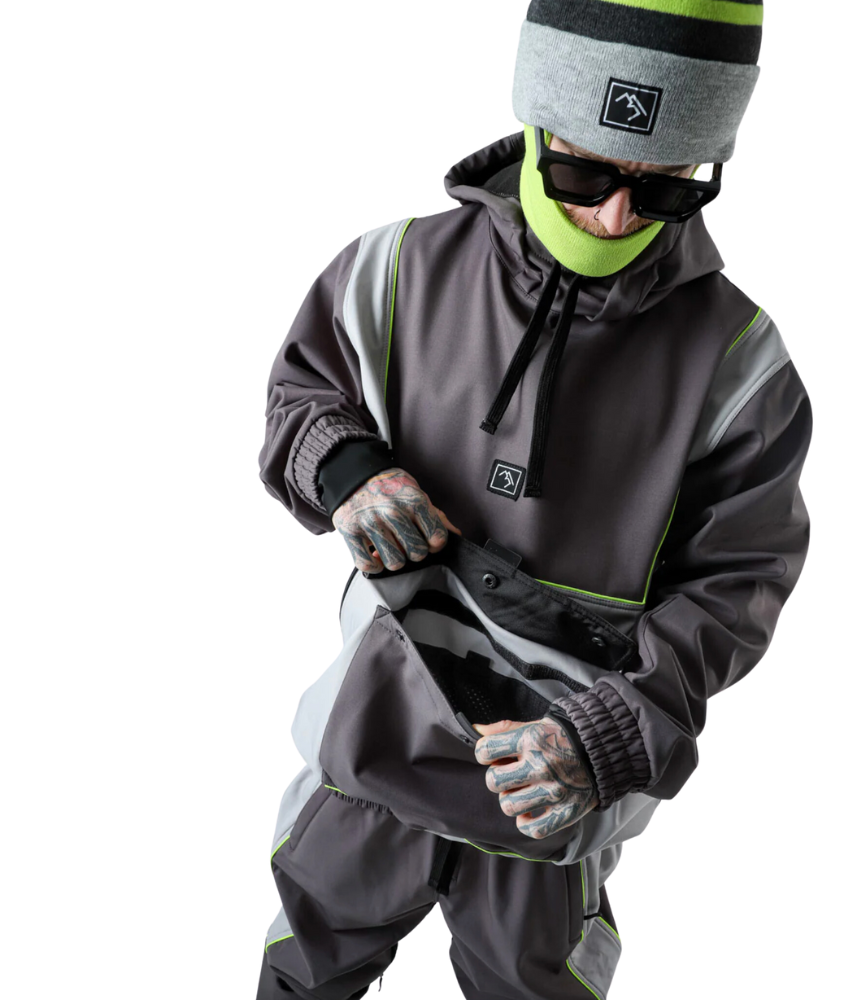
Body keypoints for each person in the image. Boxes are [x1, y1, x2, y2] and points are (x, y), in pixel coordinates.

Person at [255, 1, 810, 997]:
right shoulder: (395, 270)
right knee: (302, 971)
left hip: (552, 792)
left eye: (666, 189)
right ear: (534, 124)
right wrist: (345, 467)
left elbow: (735, 588)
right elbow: (306, 391)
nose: (614, 218)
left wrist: (608, 737)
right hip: (371, 742)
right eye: (583, 174)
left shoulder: (739, 364)